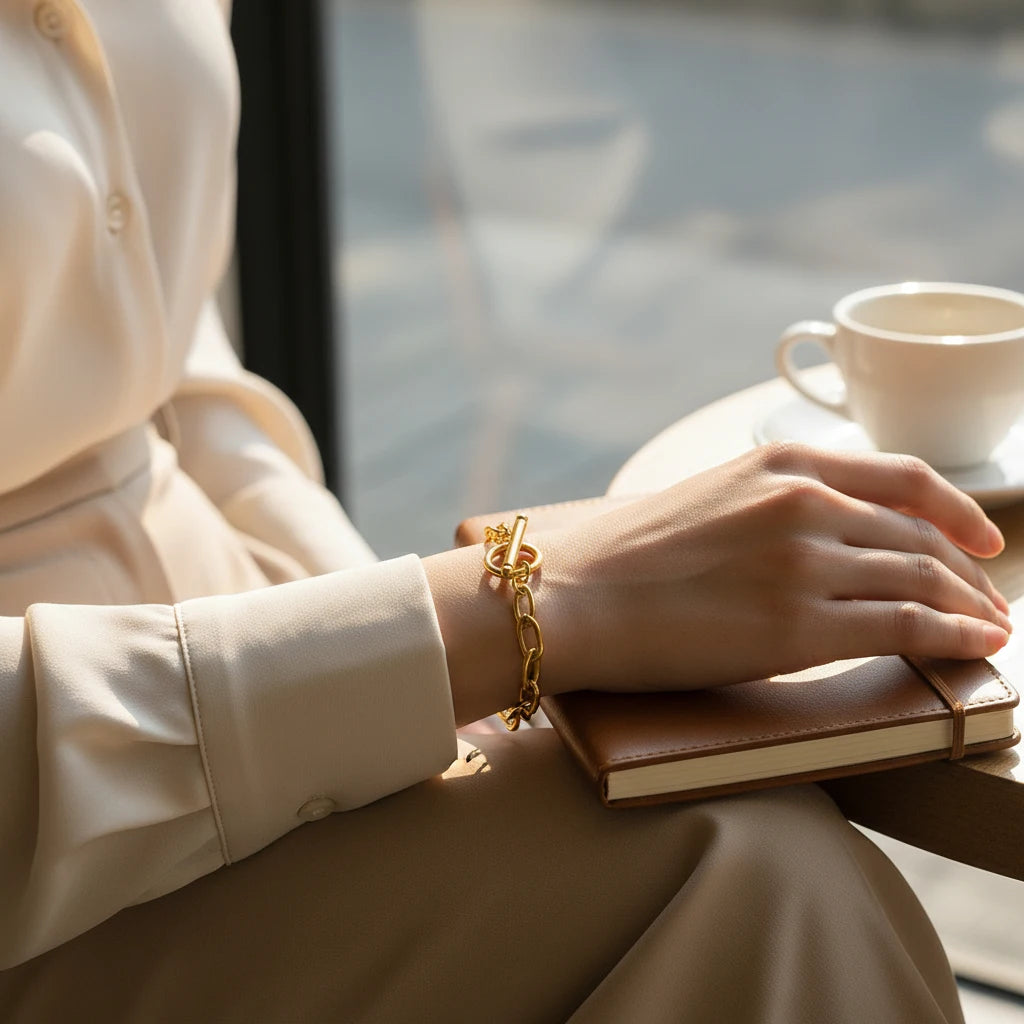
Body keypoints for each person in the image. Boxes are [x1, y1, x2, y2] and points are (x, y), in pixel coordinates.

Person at [0, 3, 1009, 1021]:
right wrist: (490, 617)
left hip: (240, 659)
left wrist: (379, 652)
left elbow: (168, 357)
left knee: (733, 820)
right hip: (43, 849)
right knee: (748, 873)